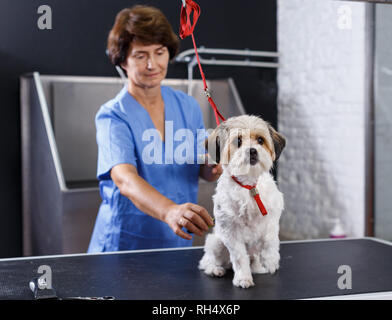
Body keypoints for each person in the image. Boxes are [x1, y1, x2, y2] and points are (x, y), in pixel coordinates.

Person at [88, 5, 222, 252]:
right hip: (126, 244)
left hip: (177, 241)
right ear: (123, 60)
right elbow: (125, 179)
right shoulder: (113, 115)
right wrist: (170, 210)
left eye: (159, 53)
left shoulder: (187, 106)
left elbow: (203, 169)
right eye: (140, 55)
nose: (152, 64)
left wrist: (216, 166)